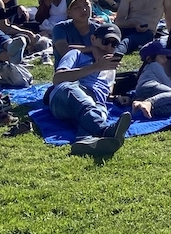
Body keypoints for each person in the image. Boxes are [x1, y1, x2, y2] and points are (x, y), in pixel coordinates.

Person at [48, 22, 132, 156]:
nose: (109, 47)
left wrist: (116, 98)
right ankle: (105, 131)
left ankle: (85, 141)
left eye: (114, 44)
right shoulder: (76, 54)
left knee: (98, 109)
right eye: (106, 42)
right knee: (75, 93)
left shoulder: (111, 68)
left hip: (95, 102)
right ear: (93, 39)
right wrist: (96, 67)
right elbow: (58, 78)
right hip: (67, 94)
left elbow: (105, 93)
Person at [129, 40, 171, 119]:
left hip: (141, 91)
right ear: (149, 58)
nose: (165, 59)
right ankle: (149, 102)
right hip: (150, 86)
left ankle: (143, 106)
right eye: (161, 56)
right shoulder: (155, 65)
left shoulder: (146, 68)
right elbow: (166, 81)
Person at [50, 0, 101, 64]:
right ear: (69, 12)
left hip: (94, 72)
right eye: (77, 7)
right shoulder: (60, 28)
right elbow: (64, 51)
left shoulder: (98, 29)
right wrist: (92, 49)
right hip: (69, 72)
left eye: (86, 5)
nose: (83, 10)